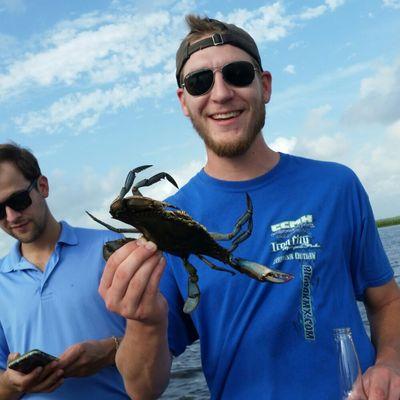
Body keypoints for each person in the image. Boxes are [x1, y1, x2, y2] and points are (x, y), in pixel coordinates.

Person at [98, 15, 400, 399]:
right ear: (184, 102)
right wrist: (145, 322)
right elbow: (142, 388)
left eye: (238, 73)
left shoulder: (336, 186)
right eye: (199, 82)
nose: (221, 93)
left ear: (265, 85)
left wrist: (390, 362)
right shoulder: (159, 229)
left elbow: (387, 300)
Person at [0, 143, 130, 399]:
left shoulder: (112, 249)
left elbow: (162, 340)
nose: (11, 216)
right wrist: (11, 383)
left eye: (18, 200)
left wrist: (109, 351)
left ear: (43, 187)